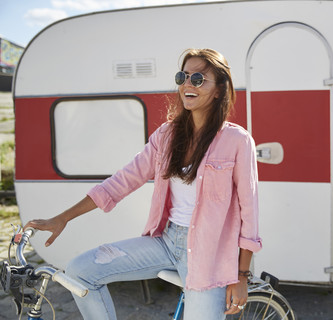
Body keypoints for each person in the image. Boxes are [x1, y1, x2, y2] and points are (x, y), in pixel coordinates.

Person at [24, 48, 262, 320]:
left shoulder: (237, 141)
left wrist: (241, 275)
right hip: (166, 241)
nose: (187, 84)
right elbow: (121, 182)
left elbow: (249, 213)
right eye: (182, 76)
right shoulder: (167, 135)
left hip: (210, 258)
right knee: (80, 271)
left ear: (219, 90)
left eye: (198, 79)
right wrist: (62, 218)